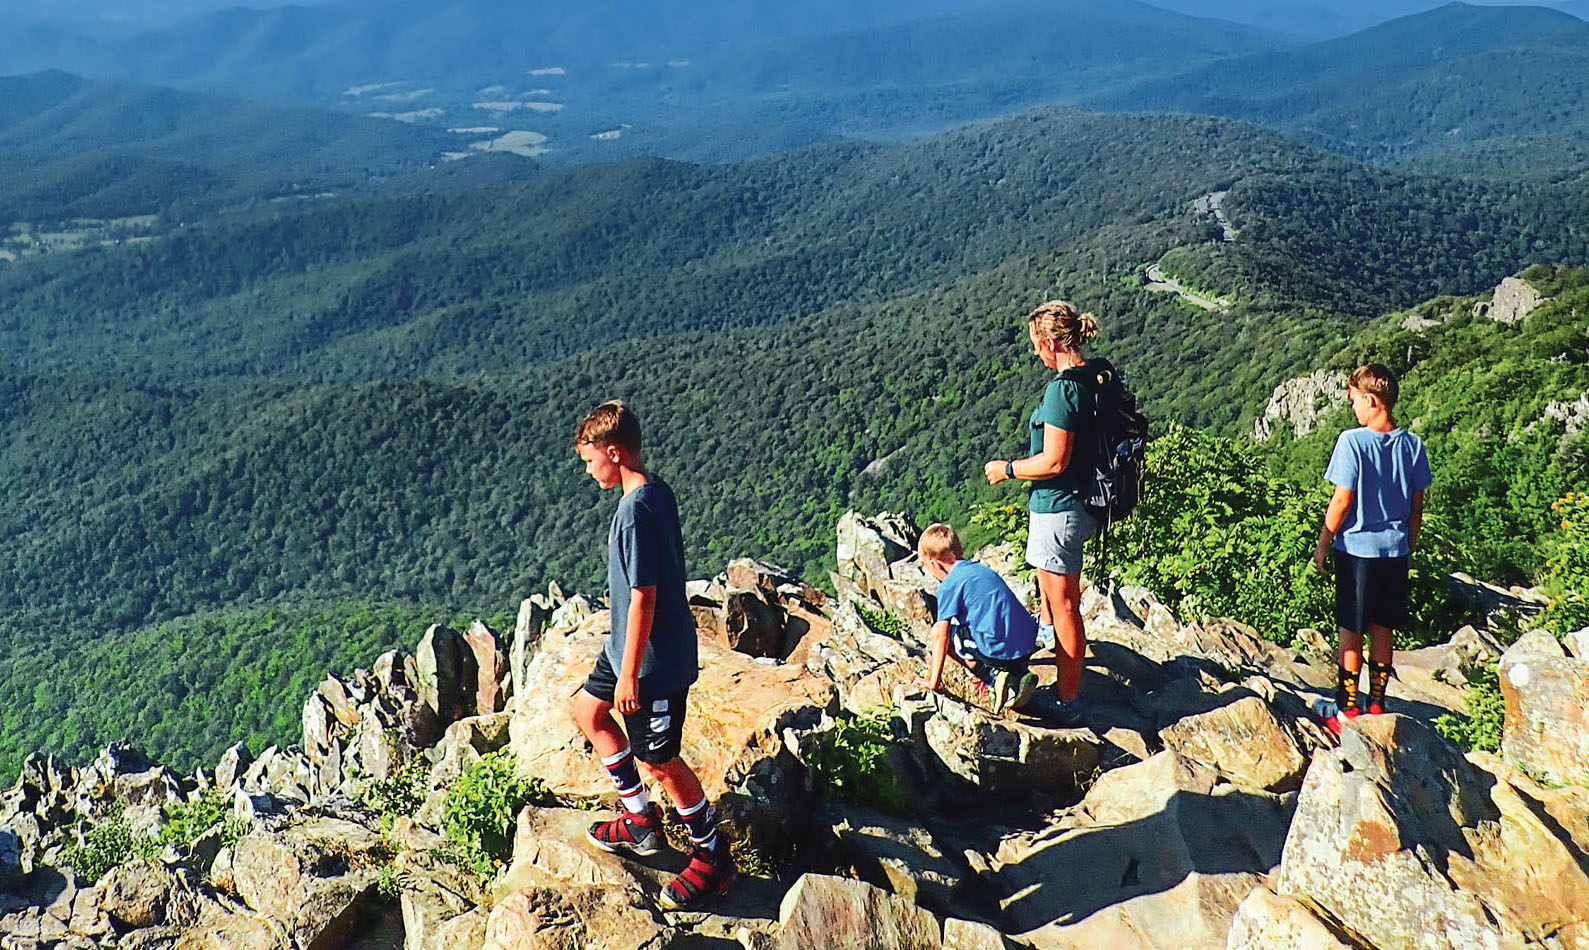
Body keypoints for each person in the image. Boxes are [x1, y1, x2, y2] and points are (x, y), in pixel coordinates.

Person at [571, 400, 734, 909]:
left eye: (591, 459)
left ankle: (712, 858)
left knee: (659, 760)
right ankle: (641, 821)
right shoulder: (655, 491)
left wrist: (630, 675)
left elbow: (645, 593)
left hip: (650, 663)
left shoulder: (634, 512)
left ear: (613, 452)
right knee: (586, 711)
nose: (589, 470)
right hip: (624, 650)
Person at [983, 300, 1101, 726]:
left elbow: (1053, 461)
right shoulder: (1098, 374)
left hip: (1059, 507)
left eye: (1037, 344)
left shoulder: (1062, 390)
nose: (1036, 352)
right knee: (1054, 598)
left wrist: (1007, 469)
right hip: (1086, 502)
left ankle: (1068, 700)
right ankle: (1055, 653)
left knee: (1064, 603)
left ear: (1051, 342)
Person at [1310, 364, 1431, 735]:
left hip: (1357, 551)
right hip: (1394, 552)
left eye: (1354, 401)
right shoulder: (1412, 445)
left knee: (1352, 629)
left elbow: (1342, 499)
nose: (1353, 410)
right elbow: (1416, 508)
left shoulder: (1352, 441)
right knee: (1383, 628)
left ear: (1371, 400)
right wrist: (1406, 548)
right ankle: (1377, 703)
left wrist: (1323, 544)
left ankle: (1346, 709)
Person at [912, 523, 1040, 713]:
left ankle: (992, 677)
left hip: (1000, 652)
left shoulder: (948, 586)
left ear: (934, 563)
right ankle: (1017, 673)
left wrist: (933, 681)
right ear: (960, 550)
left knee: (945, 633)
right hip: (1029, 643)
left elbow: (941, 636)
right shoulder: (980, 569)